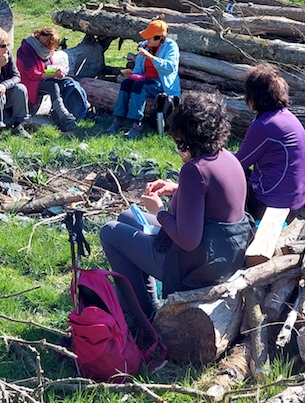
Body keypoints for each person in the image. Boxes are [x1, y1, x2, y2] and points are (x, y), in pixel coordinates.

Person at [99, 92, 251, 321]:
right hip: (226, 252)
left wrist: (159, 211)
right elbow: (211, 201)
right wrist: (177, 188)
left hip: (198, 267)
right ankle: (152, 303)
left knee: (110, 232)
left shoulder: (194, 170)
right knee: (127, 215)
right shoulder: (228, 158)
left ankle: (144, 318)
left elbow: (188, 240)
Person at [235, 64, 305, 220]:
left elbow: (237, 164)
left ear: (253, 96)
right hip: (295, 202)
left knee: (223, 180)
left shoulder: (263, 126)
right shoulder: (287, 117)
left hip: (269, 205)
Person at [104, 18, 180, 140]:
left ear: (159, 38)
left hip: (162, 84)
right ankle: (118, 119)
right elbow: (139, 67)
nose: (146, 40)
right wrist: (133, 75)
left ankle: (137, 123)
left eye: (149, 37)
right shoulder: (145, 46)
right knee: (126, 84)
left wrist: (151, 57)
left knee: (139, 86)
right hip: (146, 79)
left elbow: (170, 68)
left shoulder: (171, 46)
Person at [16, 27, 81, 132]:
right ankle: (65, 117)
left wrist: (58, 72)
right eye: (47, 42)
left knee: (66, 81)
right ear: (40, 36)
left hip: (40, 79)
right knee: (52, 86)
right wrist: (53, 75)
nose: (48, 45)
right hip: (28, 82)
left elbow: (46, 68)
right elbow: (32, 74)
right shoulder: (27, 49)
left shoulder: (45, 50)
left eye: (51, 44)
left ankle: (61, 115)